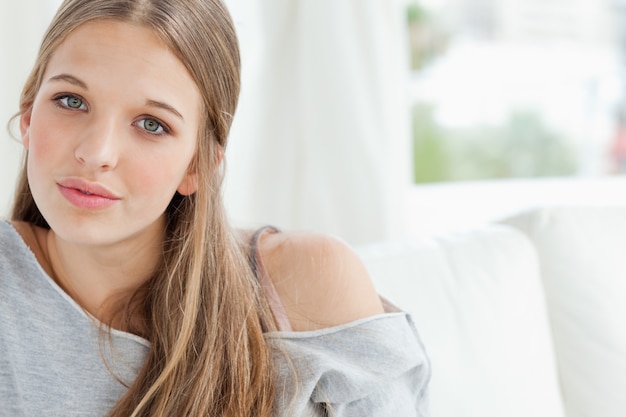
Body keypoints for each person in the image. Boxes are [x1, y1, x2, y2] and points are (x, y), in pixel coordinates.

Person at [0, 0, 430, 416]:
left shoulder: (309, 282)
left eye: (152, 124)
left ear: (198, 166)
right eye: (71, 101)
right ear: (28, 115)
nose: (96, 153)